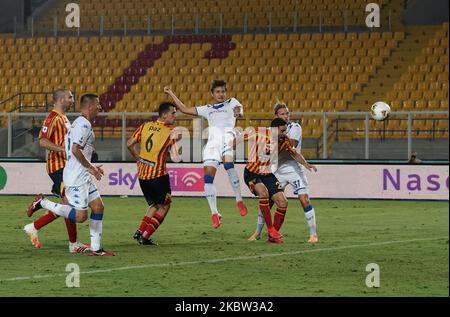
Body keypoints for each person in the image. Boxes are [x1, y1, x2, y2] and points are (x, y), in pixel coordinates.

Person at [26, 94, 114, 256]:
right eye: (98, 105)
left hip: (82, 174)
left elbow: (76, 149)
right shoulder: (83, 125)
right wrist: (92, 168)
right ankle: (43, 203)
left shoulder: (76, 122)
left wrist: (91, 167)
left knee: (98, 206)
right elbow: (74, 149)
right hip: (76, 177)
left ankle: (96, 249)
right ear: (89, 107)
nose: (100, 108)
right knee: (80, 216)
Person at [164, 80, 247, 229]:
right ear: (212, 94)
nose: (220, 94)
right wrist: (171, 93)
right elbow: (183, 109)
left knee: (228, 163)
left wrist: (238, 113)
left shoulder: (232, 102)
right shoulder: (207, 108)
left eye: (222, 91)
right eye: (217, 92)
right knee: (208, 177)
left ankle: (239, 200)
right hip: (213, 143)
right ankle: (214, 213)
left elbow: (239, 111)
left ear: (225, 92)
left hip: (227, 139)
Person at [23, 88, 89, 253]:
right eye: (70, 97)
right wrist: (63, 150)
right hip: (57, 167)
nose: (73, 100)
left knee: (66, 206)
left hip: (67, 168)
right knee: (71, 205)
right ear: (60, 100)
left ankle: (35, 226)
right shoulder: (52, 118)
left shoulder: (64, 118)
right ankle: (73, 244)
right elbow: (43, 142)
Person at [248, 103, 319, 244]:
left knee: (304, 199)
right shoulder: (269, 131)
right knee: (267, 202)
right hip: (276, 170)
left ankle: (313, 234)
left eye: (287, 113)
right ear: (276, 116)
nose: (286, 116)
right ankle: (257, 232)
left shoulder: (294, 127)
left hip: (294, 169)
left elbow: (290, 146)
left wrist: (305, 164)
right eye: (282, 114)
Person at [127, 102, 179, 245]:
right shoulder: (171, 131)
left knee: (155, 205)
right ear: (164, 115)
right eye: (173, 113)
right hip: (158, 176)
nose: (175, 115)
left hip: (143, 175)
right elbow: (175, 157)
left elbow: (129, 144)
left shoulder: (145, 126)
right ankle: (145, 236)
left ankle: (140, 232)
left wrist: (137, 157)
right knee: (165, 205)